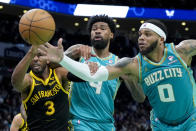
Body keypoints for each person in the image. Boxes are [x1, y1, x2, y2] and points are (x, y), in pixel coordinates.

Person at [40, 19, 196, 130]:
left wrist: (129, 79)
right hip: (159, 124)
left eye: (147, 34)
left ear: (161, 39)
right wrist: (63, 58)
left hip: (191, 118)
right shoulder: (132, 63)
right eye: (140, 34)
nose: (141, 38)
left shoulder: (181, 51)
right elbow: (95, 74)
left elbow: (139, 97)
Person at [40, 15, 145, 131]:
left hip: (107, 125)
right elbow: (49, 67)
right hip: (79, 121)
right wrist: (65, 55)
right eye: (94, 29)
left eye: (103, 28)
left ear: (111, 35)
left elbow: (140, 97)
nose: (98, 31)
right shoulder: (79, 51)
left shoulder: (119, 63)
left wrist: (131, 79)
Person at [11, 43, 95, 130]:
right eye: (33, 56)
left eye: (39, 55)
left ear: (48, 60)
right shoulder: (28, 80)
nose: (35, 59)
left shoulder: (59, 73)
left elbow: (82, 76)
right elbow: (15, 83)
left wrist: (89, 68)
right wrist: (30, 52)